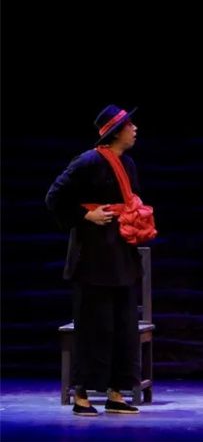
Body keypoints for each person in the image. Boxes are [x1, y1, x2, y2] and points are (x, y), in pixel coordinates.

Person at [46, 104, 146, 416]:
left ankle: (116, 393)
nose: (135, 129)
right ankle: (81, 396)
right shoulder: (88, 161)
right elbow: (55, 197)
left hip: (121, 256)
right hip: (93, 259)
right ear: (116, 132)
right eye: (129, 125)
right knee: (93, 328)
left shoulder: (127, 163)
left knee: (123, 327)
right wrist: (85, 215)